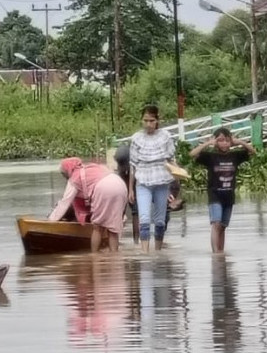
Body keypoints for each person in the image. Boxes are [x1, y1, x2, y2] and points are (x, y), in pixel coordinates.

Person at [190, 127, 255, 253]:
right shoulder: (210, 157)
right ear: (215, 142)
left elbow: (253, 152)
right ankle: (216, 254)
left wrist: (241, 143)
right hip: (215, 195)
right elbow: (192, 154)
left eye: (226, 140)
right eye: (220, 140)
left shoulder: (235, 156)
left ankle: (221, 251)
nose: (224, 143)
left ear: (231, 141)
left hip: (229, 196)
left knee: (223, 227)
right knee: (216, 223)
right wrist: (207, 143)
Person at [49, 158, 128, 252]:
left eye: (63, 174)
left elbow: (65, 203)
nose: (64, 177)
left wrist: (51, 220)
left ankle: (94, 257)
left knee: (98, 227)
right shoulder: (92, 168)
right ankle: (114, 257)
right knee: (113, 228)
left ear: (67, 171)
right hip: (120, 185)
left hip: (103, 188)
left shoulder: (74, 178)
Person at [128, 105, 176, 253]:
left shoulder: (165, 136)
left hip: (162, 182)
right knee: (144, 219)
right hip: (142, 182)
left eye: (151, 120)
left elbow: (172, 161)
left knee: (160, 221)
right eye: (145, 120)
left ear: (157, 120)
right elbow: (133, 166)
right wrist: (130, 189)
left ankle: (158, 251)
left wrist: (177, 184)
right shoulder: (136, 138)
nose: (148, 124)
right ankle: (145, 253)